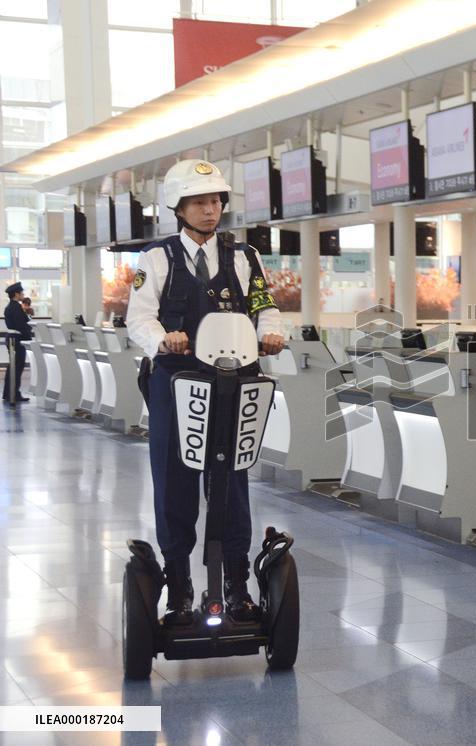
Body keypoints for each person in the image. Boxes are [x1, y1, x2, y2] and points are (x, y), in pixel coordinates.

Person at [126, 159, 284, 626]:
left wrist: (272, 332)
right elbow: (139, 317)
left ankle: (236, 584)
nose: (211, 210)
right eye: (200, 202)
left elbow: (265, 306)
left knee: (232, 479)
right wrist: (162, 339)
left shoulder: (244, 256)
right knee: (174, 479)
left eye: (216, 201)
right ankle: (179, 586)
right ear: (178, 207)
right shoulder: (156, 258)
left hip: (233, 380)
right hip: (176, 380)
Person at [3, 282, 32, 405]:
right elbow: (22, 325)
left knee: (13, 367)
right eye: (22, 293)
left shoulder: (12, 307)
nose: (23, 295)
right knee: (17, 367)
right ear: (16, 294)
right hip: (16, 339)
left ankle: (9, 393)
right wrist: (28, 337)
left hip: (12, 338)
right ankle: (13, 394)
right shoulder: (15, 308)